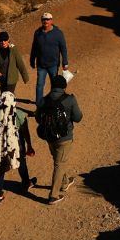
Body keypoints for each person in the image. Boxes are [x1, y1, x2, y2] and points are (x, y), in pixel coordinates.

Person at [35, 69, 84, 203]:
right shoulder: (70, 99)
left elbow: (38, 118)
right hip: (65, 137)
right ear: (64, 86)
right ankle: (53, 195)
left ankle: (64, 182)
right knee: (59, 164)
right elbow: (78, 117)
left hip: (49, 137)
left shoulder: (44, 100)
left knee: (58, 160)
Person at [0, 90, 35, 203]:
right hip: (16, 145)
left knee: (0, 167)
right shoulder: (19, 114)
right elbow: (25, 132)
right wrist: (30, 145)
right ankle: (26, 183)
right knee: (21, 161)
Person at [29, 12, 69, 110]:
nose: (45, 21)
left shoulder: (58, 33)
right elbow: (34, 47)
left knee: (55, 86)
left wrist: (65, 62)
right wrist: (32, 59)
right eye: (44, 19)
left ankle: (53, 105)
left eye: (47, 19)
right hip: (41, 65)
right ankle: (39, 107)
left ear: (51, 20)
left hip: (53, 65)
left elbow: (63, 48)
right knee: (39, 85)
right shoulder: (37, 33)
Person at [0, 31, 30, 101]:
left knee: (8, 97)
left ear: (8, 40)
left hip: (11, 78)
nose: (3, 42)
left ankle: (10, 111)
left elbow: (20, 63)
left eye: (5, 40)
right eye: (1, 41)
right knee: (2, 97)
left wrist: (25, 77)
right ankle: (1, 110)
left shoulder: (13, 50)